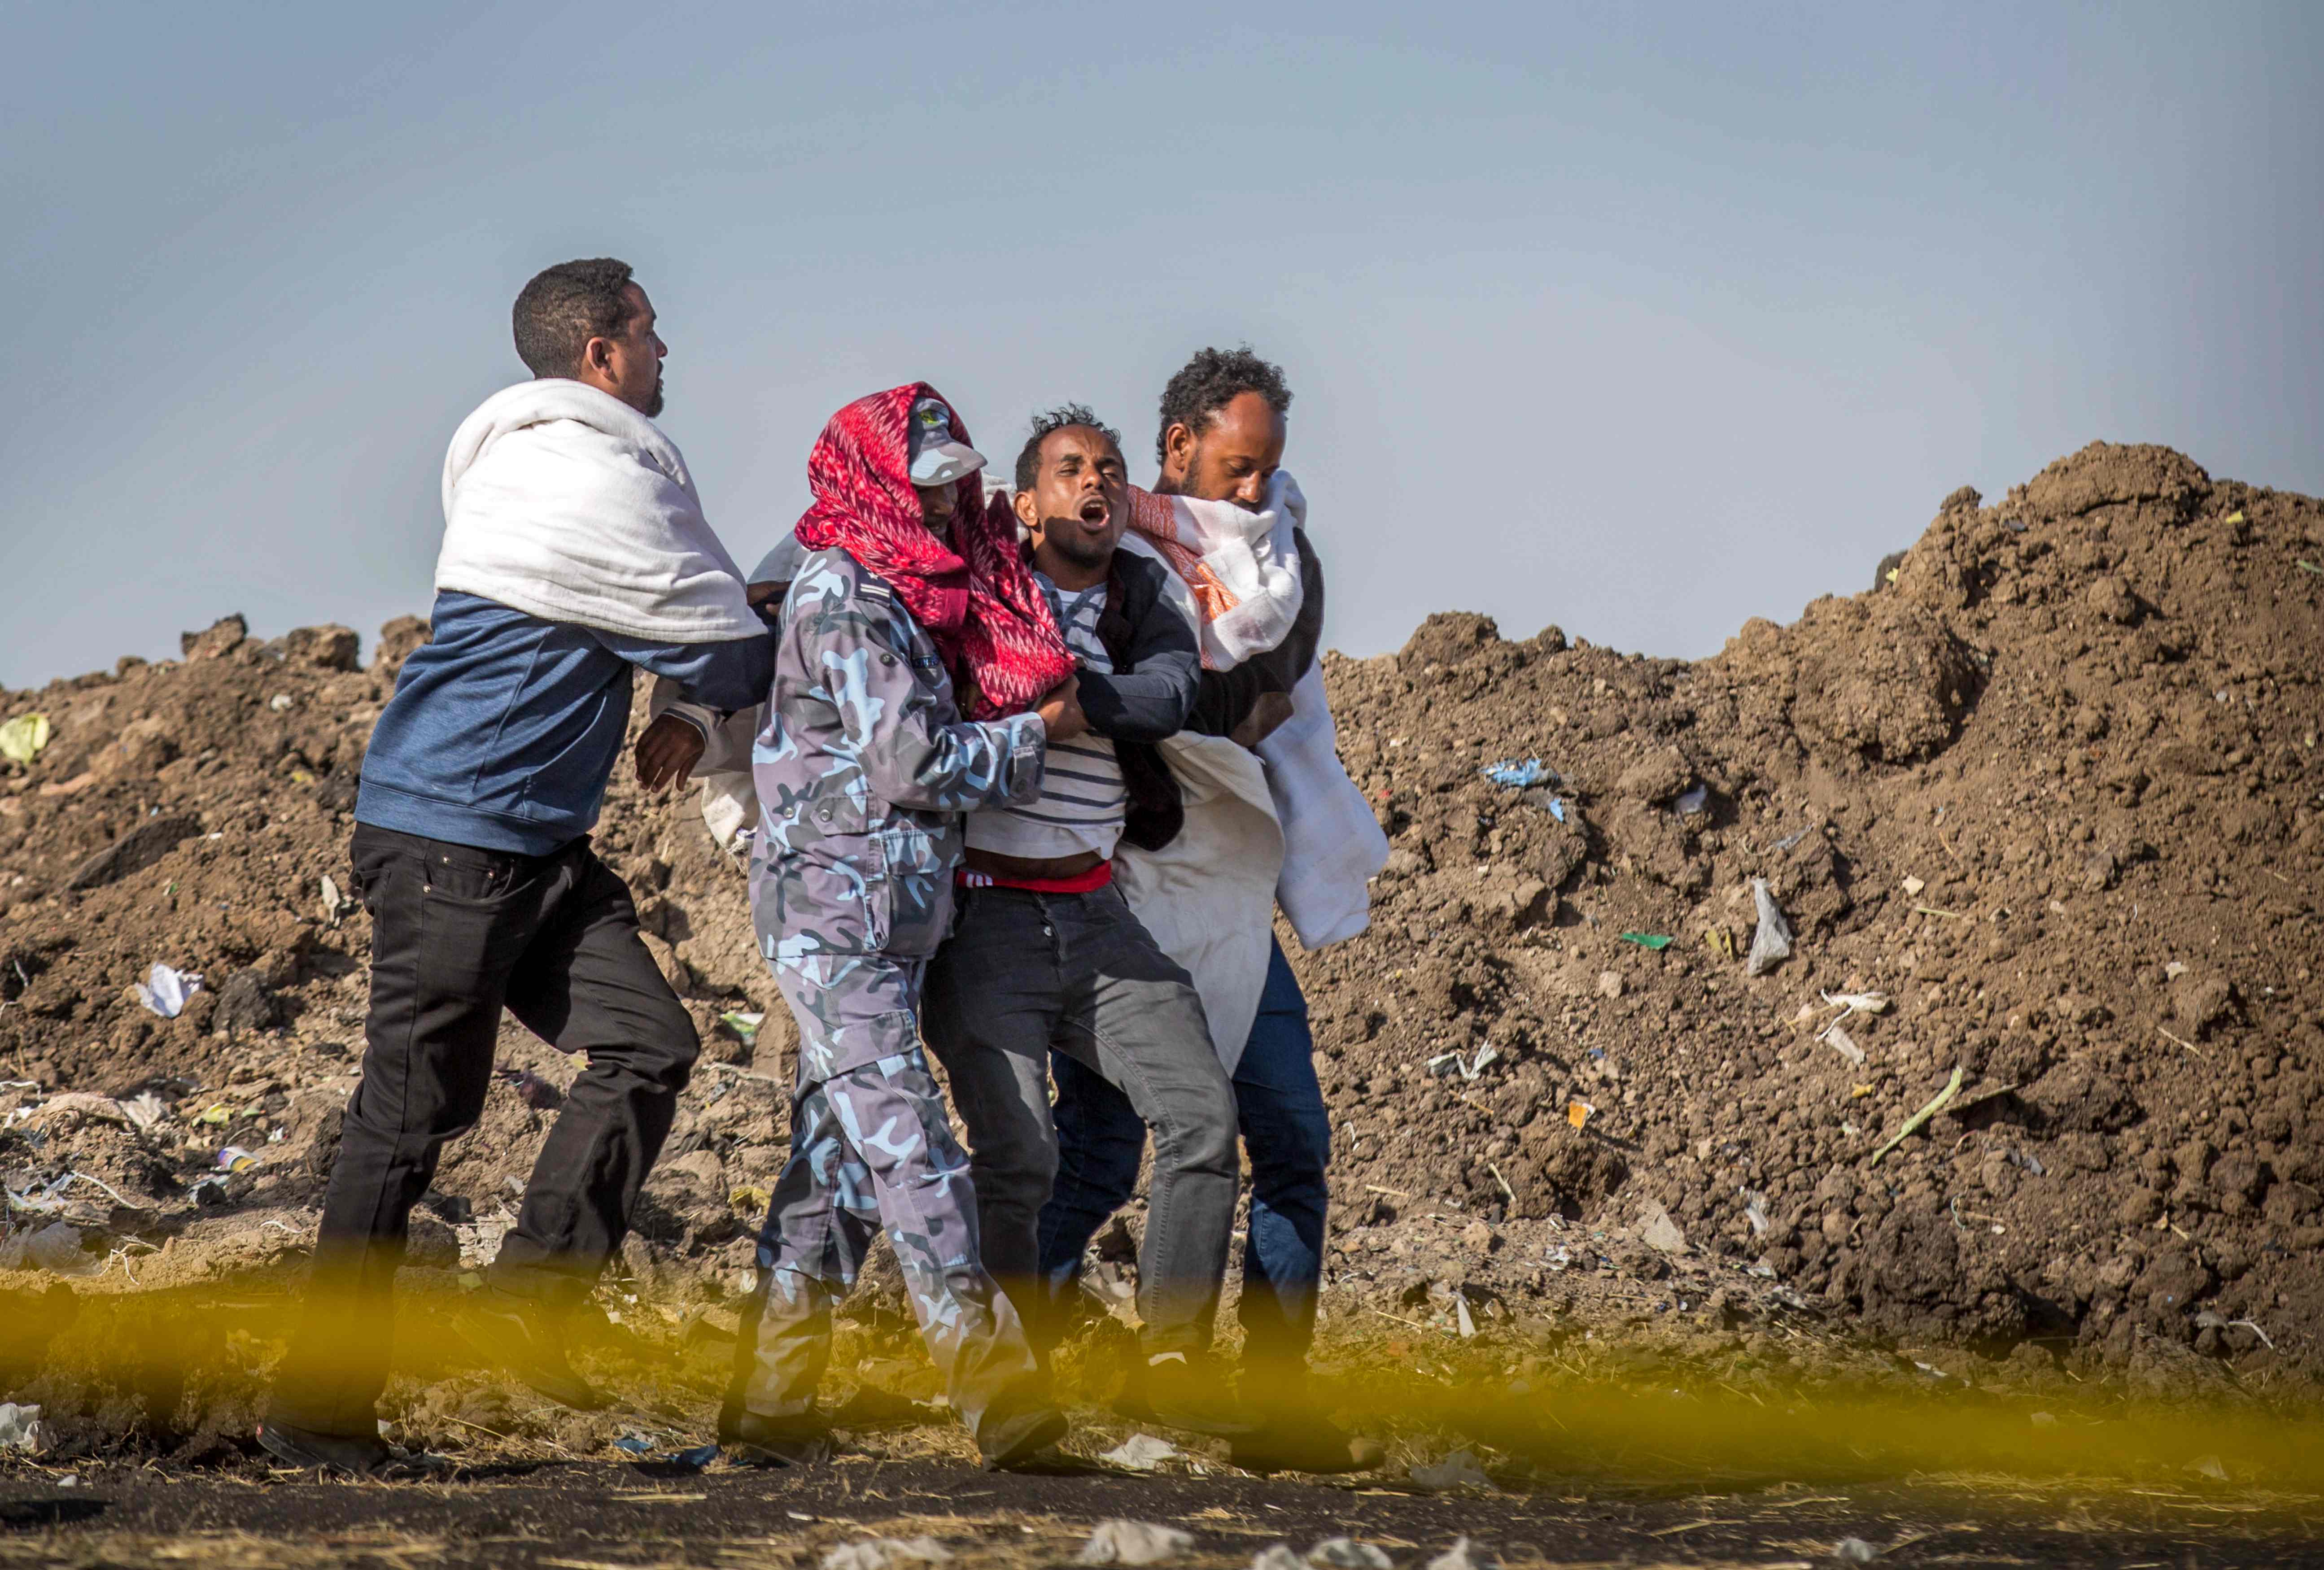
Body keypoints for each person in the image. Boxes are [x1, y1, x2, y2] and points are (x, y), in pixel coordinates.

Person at [261, 259, 776, 1476]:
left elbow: (694, 629)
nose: (666, 352)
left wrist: (700, 698)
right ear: (601, 355)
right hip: (452, 835)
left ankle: (535, 1294)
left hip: (536, 845)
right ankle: (318, 1409)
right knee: (406, 1119)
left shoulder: (555, 464)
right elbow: (721, 636)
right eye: (649, 333)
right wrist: (767, 628)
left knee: (651, 1039)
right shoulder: (581, 473)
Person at [1038, 349, 1389, 1473]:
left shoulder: (1285, 561)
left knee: (1292, 1141)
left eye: (1267, 473)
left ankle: (1272, 1395)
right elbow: (1124, 691)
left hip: (1234, 894)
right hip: (1133, 886)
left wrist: (1184, 703)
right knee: (1100, 1151)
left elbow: (1263, 680)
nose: (1252, 497)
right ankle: (1004, 1343)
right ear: (1177, 446)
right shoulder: (1121, 551)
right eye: (1235, 470)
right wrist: (1178, 711)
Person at [721, 385, 1082, 1471]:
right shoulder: (847, 600)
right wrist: (1034, 734)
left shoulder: (910, 591)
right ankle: (1005, 1405)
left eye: (953, 489)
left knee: (834, 1169)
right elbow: (915, 765)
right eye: (923, 490)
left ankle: (768, 1405)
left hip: (886, 921)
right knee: (915, 1154)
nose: (942, 510)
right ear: (875, 483)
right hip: (834, 922)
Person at [922, 407, 1250, 1437]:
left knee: (1202, 1118)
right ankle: (1009, 1390)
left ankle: (1168, 1364)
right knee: (1017, 1156)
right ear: (1025, 504)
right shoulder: (974, 591)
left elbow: (1169, 693)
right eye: (1068, 471)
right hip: (988, 922)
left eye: (1108, 469)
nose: (1094, 483)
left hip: (1100, 919)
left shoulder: (1139, 596)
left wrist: (1066, 701)